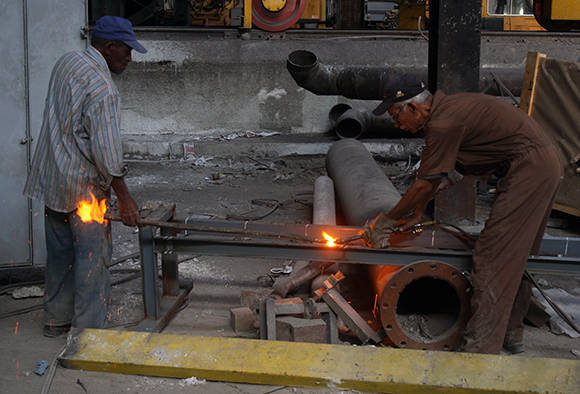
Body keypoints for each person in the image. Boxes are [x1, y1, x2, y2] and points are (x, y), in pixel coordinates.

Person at [367, 76, 562, 355]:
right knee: (516, 252)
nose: (397, 123)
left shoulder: (443, 123)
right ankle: (510, 331)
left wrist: (385, 222)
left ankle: (479, 351)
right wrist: (418, 211)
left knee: (494, 256)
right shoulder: (449, 111)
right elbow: (443, 178)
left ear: (413, 107)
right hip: (539, 165)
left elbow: (425, 182)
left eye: (396, 115)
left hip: (529, 169)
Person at [23, 16, 146, 337]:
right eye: (126, 51)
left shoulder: (67, 62)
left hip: (52, 180)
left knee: (60, 258)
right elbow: (107, 153)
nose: (129, 58)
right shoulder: (103, 90)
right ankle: (90, 333)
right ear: (108, 47)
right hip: (83, 192)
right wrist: (125, 198)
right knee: (92, 261)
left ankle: (56, 321)